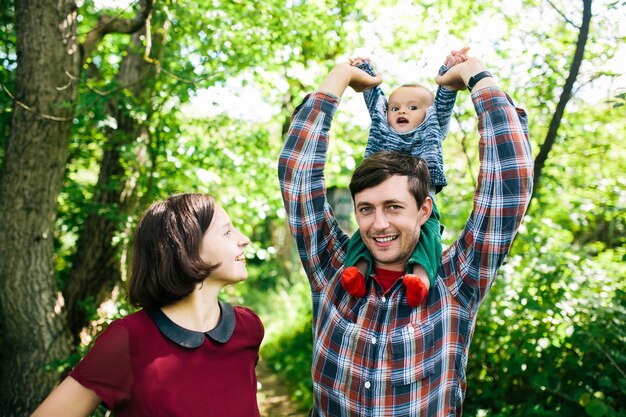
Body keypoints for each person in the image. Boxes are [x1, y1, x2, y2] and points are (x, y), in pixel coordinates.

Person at [277, 54, 533, 415]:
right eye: (366, 209)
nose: (378, 224)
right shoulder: (331, 269)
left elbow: (509, 183)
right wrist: (338, 78)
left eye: (394, 207)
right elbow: (297, 178)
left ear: (424, 210)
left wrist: (475, 75)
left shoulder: (456, 281)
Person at [32, 193, 264, 417]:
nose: (244, 239)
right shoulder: (128, 340)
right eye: (227, 232)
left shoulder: (248, 328)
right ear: (188, 247)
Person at [341, 49, 469, 308]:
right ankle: (358, 271)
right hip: (380, 190)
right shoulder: (382, 126)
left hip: (422, 195)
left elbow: (444, 100)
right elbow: (373, 97)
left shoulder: (432, 124)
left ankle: (420, 278)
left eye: (413, 107)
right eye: (395, 107)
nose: (402, 112)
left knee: (430, 235)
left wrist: (449, 71)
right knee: (365, 233)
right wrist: (364, 68)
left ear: (427, 113)